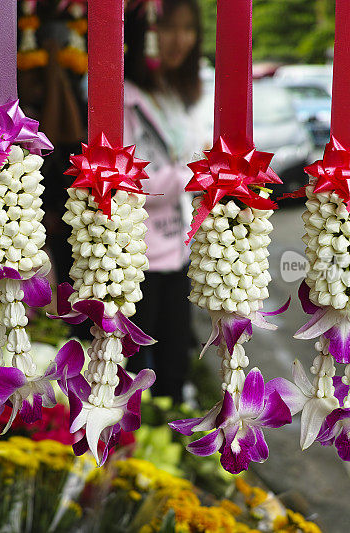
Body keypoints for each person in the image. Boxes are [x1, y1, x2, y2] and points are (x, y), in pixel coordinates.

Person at [123, 0, 210, 403]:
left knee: (176, 358)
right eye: (167, 28)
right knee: (133, 366)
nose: (178, 40)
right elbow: (126, 184)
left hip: (178, 248)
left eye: (187, 29)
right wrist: (190, 176)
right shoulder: (123, 99)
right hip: (137, 254)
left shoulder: (175, 93)